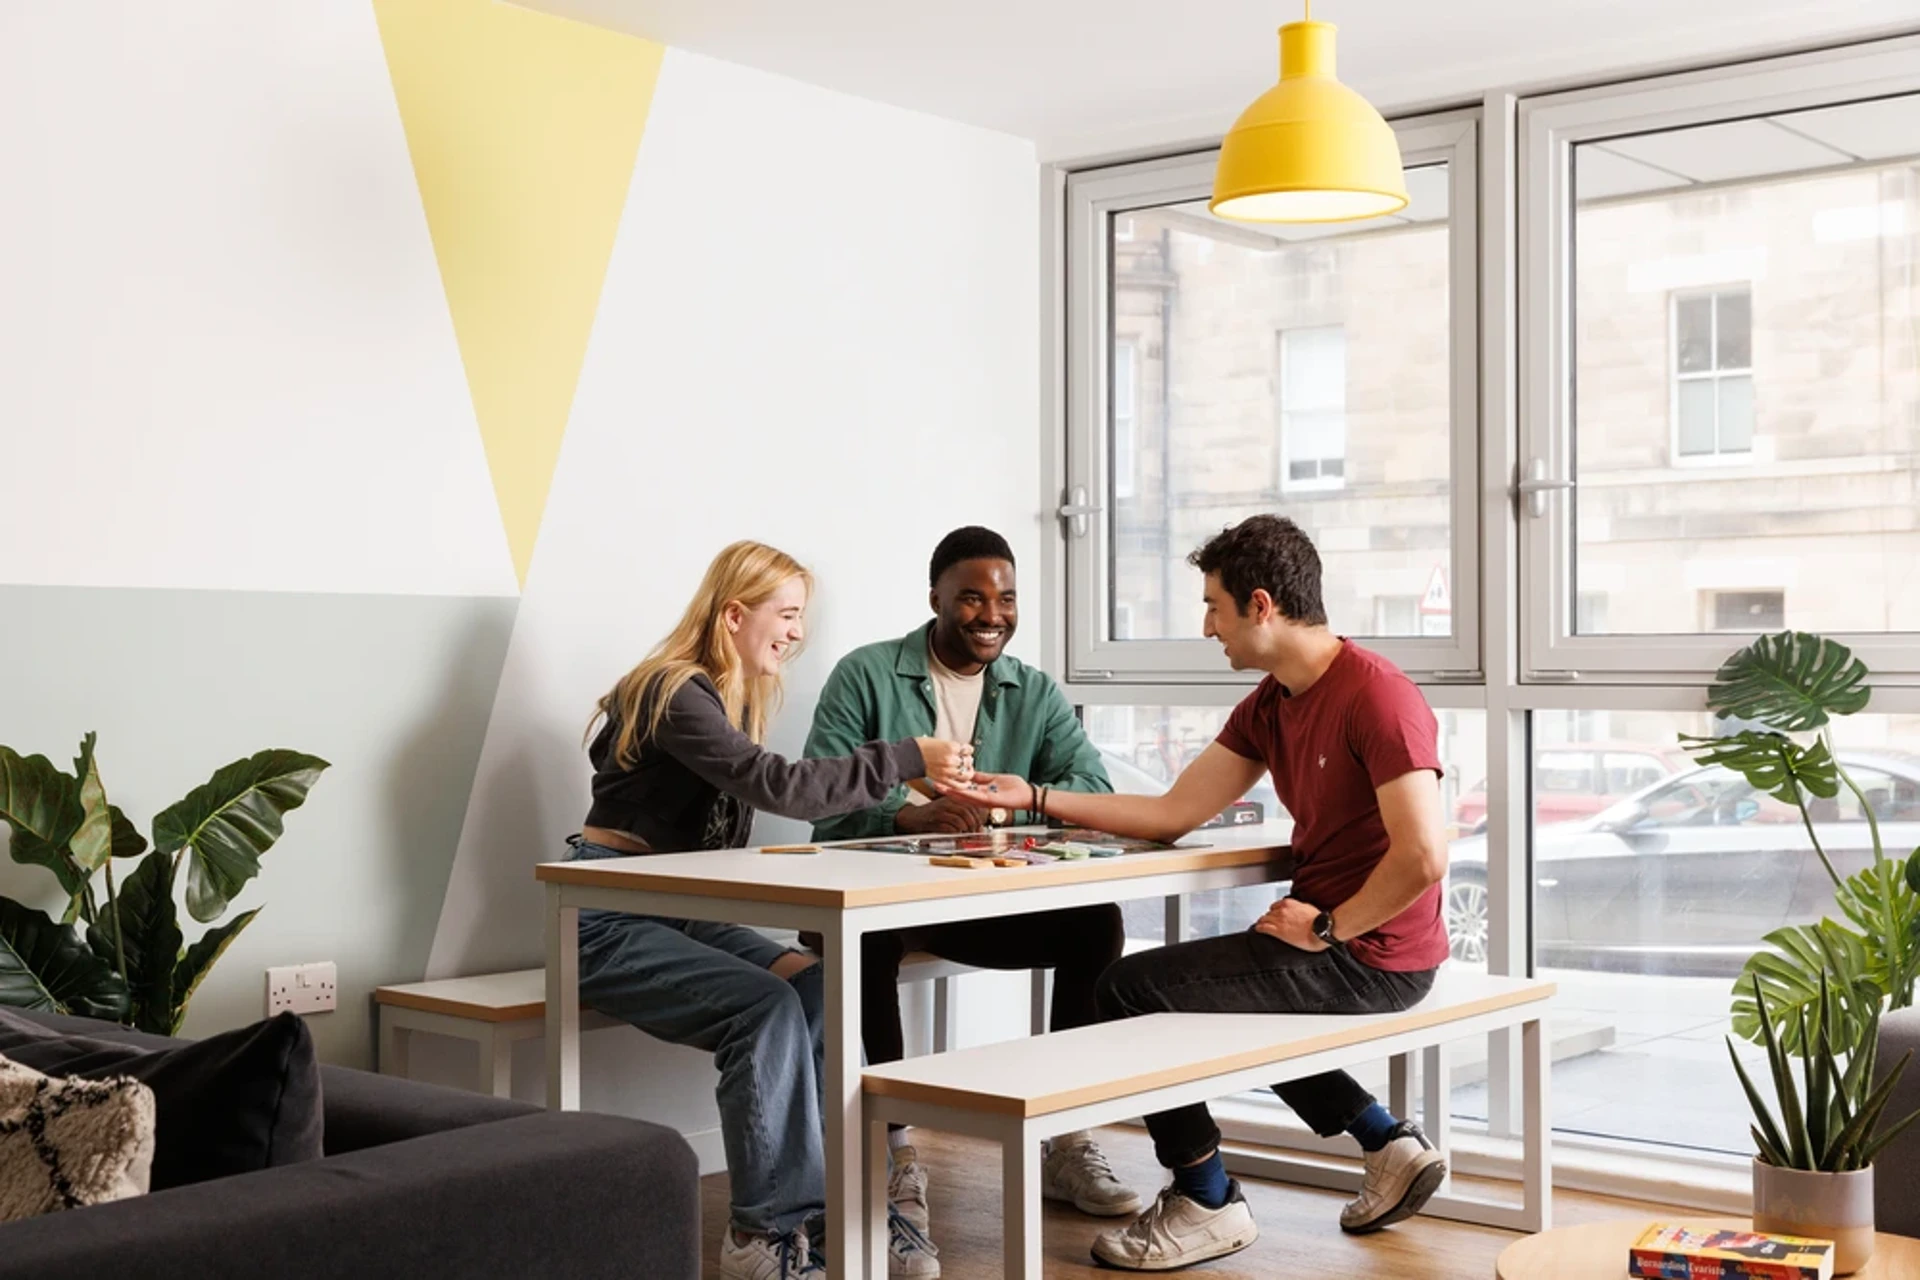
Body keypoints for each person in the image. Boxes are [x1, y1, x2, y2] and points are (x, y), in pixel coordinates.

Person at [944, 514, 1451, 1272]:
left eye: (1213, 606)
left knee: (1128, 991)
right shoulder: (1273, 702)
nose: (1208, 626)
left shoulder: (1377, 696)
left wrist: (1330, 928)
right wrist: (1036, 796)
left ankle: (1205, 1198)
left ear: (1260, 605)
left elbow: (1424, 856)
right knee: (1220, 994)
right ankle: (1383, 1140)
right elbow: (1171, 813)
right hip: (1325, 939)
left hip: (1375, 953)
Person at [567, 541, 973, 1280]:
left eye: (800, 618)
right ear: (732, 615)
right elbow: (780, 786)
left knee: (818, 987)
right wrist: (905, 758)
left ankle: (844, 1210)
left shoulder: (720, 699)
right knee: (765, 1009)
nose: (796, 633)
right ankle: (761, 1238)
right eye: (785, 615)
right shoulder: (672, 690)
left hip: (672, 911)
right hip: (604, 917)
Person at [801, 526, 1137, 1265]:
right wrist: (904, 816)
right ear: (936, 600)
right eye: (973, 598)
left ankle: (1065, 1133)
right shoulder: (865, 676)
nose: (992, 614)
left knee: (1094, 924)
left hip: (977, 905)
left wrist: (1012, 806)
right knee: (867, 936)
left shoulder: (1033, 689)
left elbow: (1092, 789)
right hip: (881, 903)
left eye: (1006, 598)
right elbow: (822, 806)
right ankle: (893, 1154)